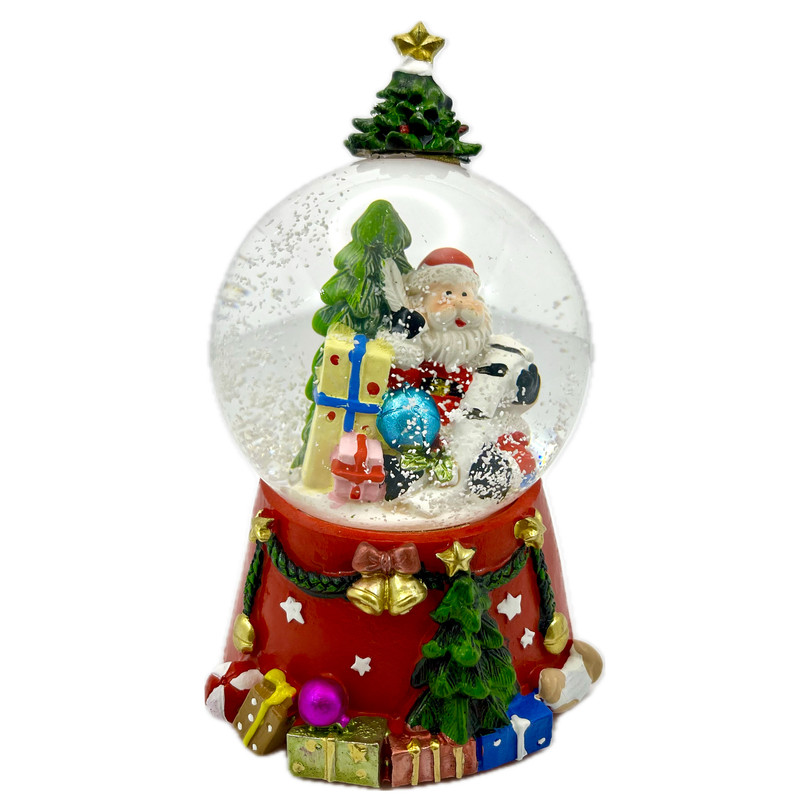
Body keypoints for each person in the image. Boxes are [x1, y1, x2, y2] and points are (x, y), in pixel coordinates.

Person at [379, 248, 541, 501]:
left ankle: (496, 474)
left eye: (465, 294)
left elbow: (504, 391)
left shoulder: (485, 353)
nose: (460, 304)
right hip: (422, 434)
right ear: (419, 304)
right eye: (447, 294)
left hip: (472, 430)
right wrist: (404, 341)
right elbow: (396, 384)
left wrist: (524, 388)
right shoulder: (416, 352)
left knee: (513, 446)